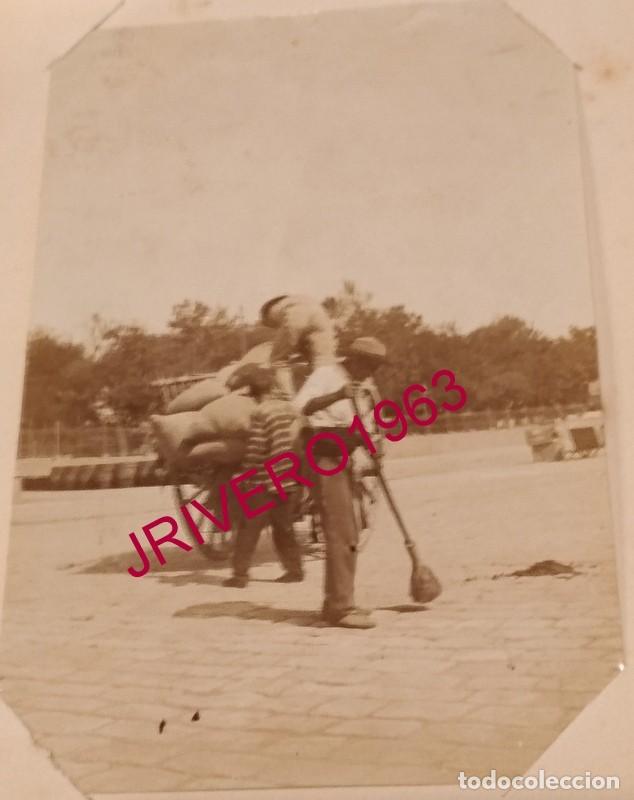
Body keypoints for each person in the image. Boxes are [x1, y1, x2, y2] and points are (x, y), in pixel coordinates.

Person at [293, 336, 386, 629]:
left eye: (375, 368)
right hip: (321, 454)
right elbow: (302, 408)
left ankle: (339, 600)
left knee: (351, 531)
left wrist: (374, 450)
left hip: (345, 455)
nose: (370, 373)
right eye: (367, 366)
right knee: (339, 529)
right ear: (354, 360)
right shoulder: (327, 375)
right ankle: (339, 607)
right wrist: (338, 395)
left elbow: (366, 425)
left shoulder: (365, 387)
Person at [222, 363, 304, 588]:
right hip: (290, 475)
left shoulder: (260, 413)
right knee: (284, 526)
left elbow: (257, 447)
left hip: (267, 478)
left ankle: (240, 575)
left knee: (250, 526)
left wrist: (246, 471)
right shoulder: (289, 408)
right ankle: (295, 570)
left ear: (254, 395)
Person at [260, 295, 337, 397]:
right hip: (320, 313)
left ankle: (288, 398)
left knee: (278, 361)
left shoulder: (269, 313)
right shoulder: (296, 300)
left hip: (295, 312)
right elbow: (303, 347)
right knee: (323, 363)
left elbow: (291, 339)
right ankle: (326, 395)